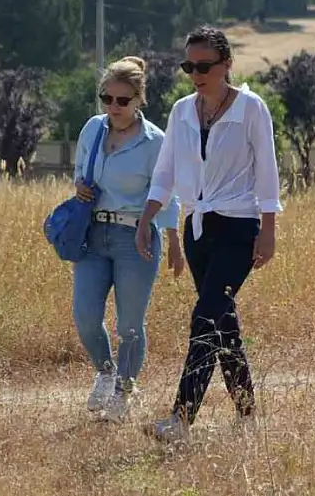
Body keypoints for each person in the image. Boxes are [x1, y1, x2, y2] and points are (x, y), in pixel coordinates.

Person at [136, 25, 283, 444]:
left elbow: (268, 173)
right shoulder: (182, 111)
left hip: (239, 226)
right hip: (198, 228)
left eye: (204, 66)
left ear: (226, 65)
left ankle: (181, 419)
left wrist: (269, 230)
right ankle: (249, 415)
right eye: (189, 66)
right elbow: (164, 172)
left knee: (204, 317)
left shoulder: (251, 109)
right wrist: (147, 219)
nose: (196, 74)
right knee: (223, 323)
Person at [71, 55, 184, 424]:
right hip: (92, 233)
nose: (113, 107)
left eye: (122, 100)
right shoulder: (93, 128)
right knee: (86, 316)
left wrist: (173, 239)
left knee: (130, 324)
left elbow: (168, 191)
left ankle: (124, 388)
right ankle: (105, 372)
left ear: (139, 100)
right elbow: (79, 169)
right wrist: (80, 186)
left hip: (135, 236)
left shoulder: (156, 142)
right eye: (107, 98)